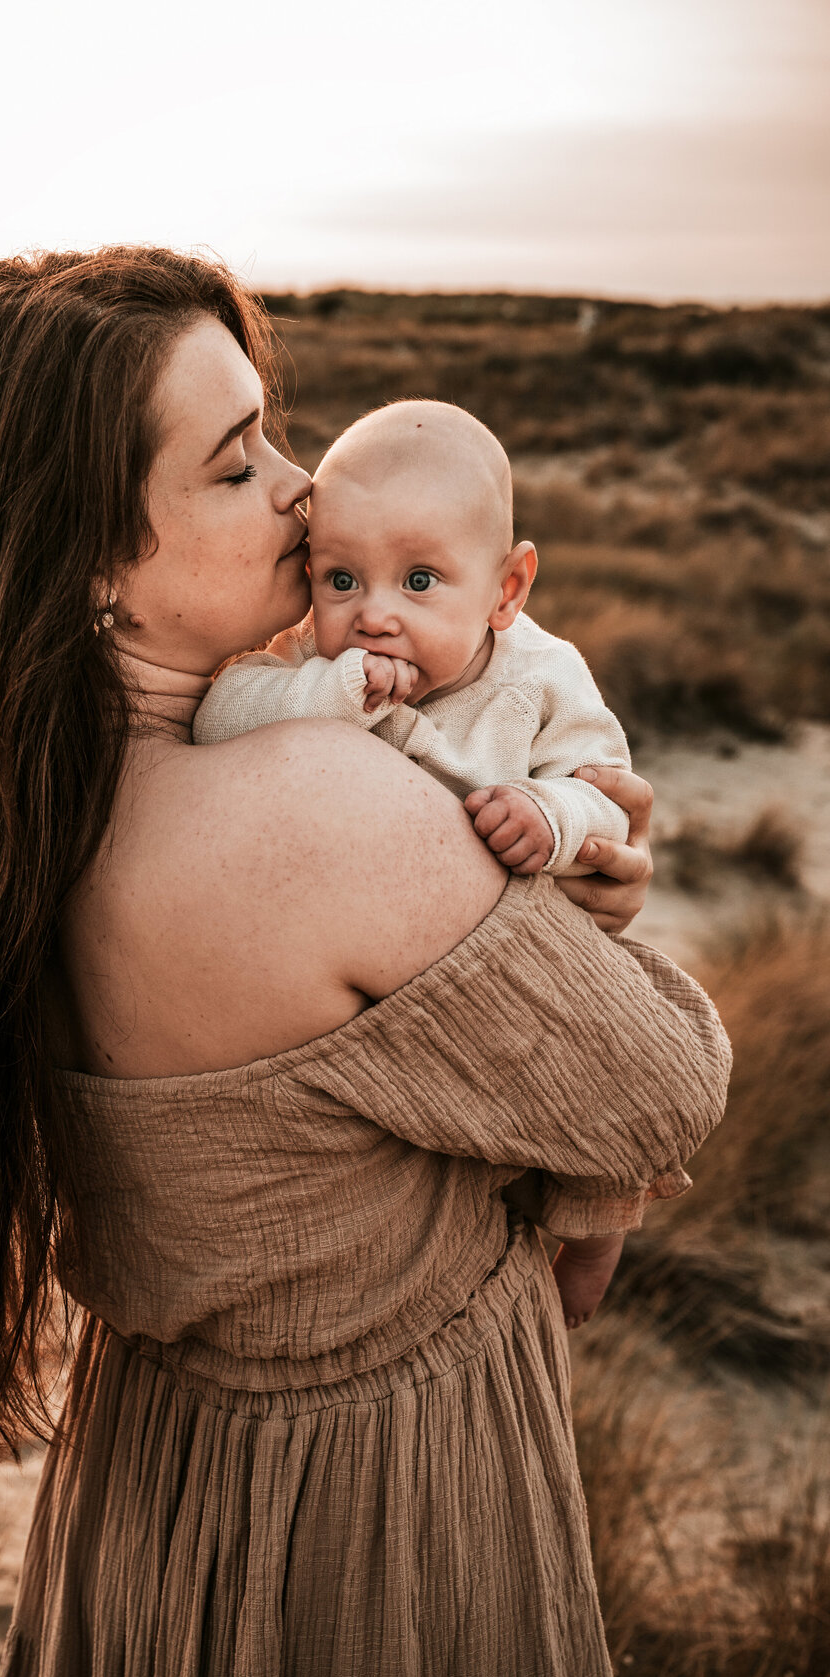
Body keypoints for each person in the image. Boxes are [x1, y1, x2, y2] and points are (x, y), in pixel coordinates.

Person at [0, 247, 731, 1677]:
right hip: (381, 1518)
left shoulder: (3, 814)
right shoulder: (319, 804)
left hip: (154, 1489)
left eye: (279, 433)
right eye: (241, 464)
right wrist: (591, 912)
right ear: (88, 556)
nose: (307, 494)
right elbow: (666, 1087)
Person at [191, 396, 647, 1332]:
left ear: (508, 589)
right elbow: (221, 718)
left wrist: (549, 815)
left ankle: (595, 1234)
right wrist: (335, 691)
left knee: (599, 1122)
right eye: (343, 580)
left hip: (525, 949)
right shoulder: (301, 667)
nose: (376, 619)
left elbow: (607, 788)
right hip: (399, 977)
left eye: (422, 581)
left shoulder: (541, 676)